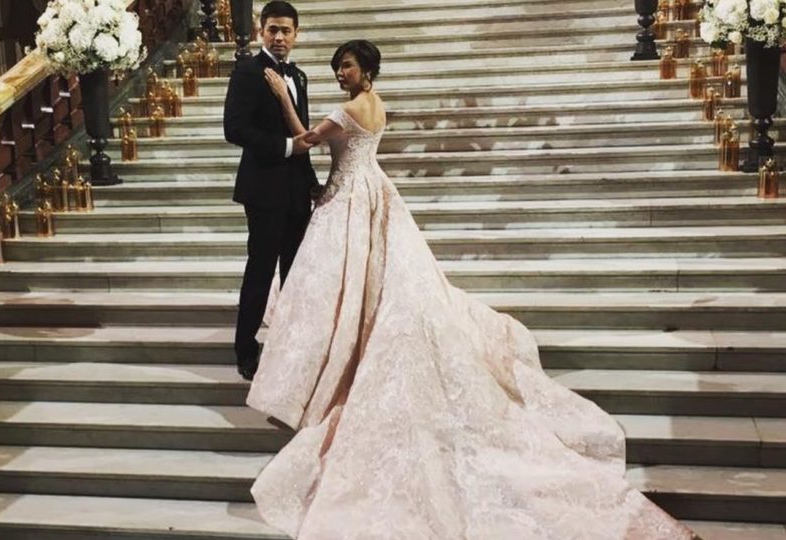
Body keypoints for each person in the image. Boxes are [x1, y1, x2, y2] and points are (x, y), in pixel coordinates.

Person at [246, 39, 699, 539]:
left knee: (344, 288)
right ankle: (340, 361)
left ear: (366, 70)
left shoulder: (349, 107)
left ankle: (328, 374)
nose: (340, 73)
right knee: (363, 287)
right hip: (372, 191)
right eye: (337, 68)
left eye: (346, 66)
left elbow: (307, 140)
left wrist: (282, 99)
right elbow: (352, 154)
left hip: (352, 199)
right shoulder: (375, 106)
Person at [224, 1, 320, 381]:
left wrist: (311, 179)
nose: (279, 36)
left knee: (295, 272)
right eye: (273, 29)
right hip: (263, 189)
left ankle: (288, 343)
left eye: (286, 30)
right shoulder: (246, 73)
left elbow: (304, 133)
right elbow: (234, 129)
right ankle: (245, 348)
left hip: (297, 190)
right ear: (260, 31)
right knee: (261, 270)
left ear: (296, 34)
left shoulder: (300, 76)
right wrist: (284, 147)